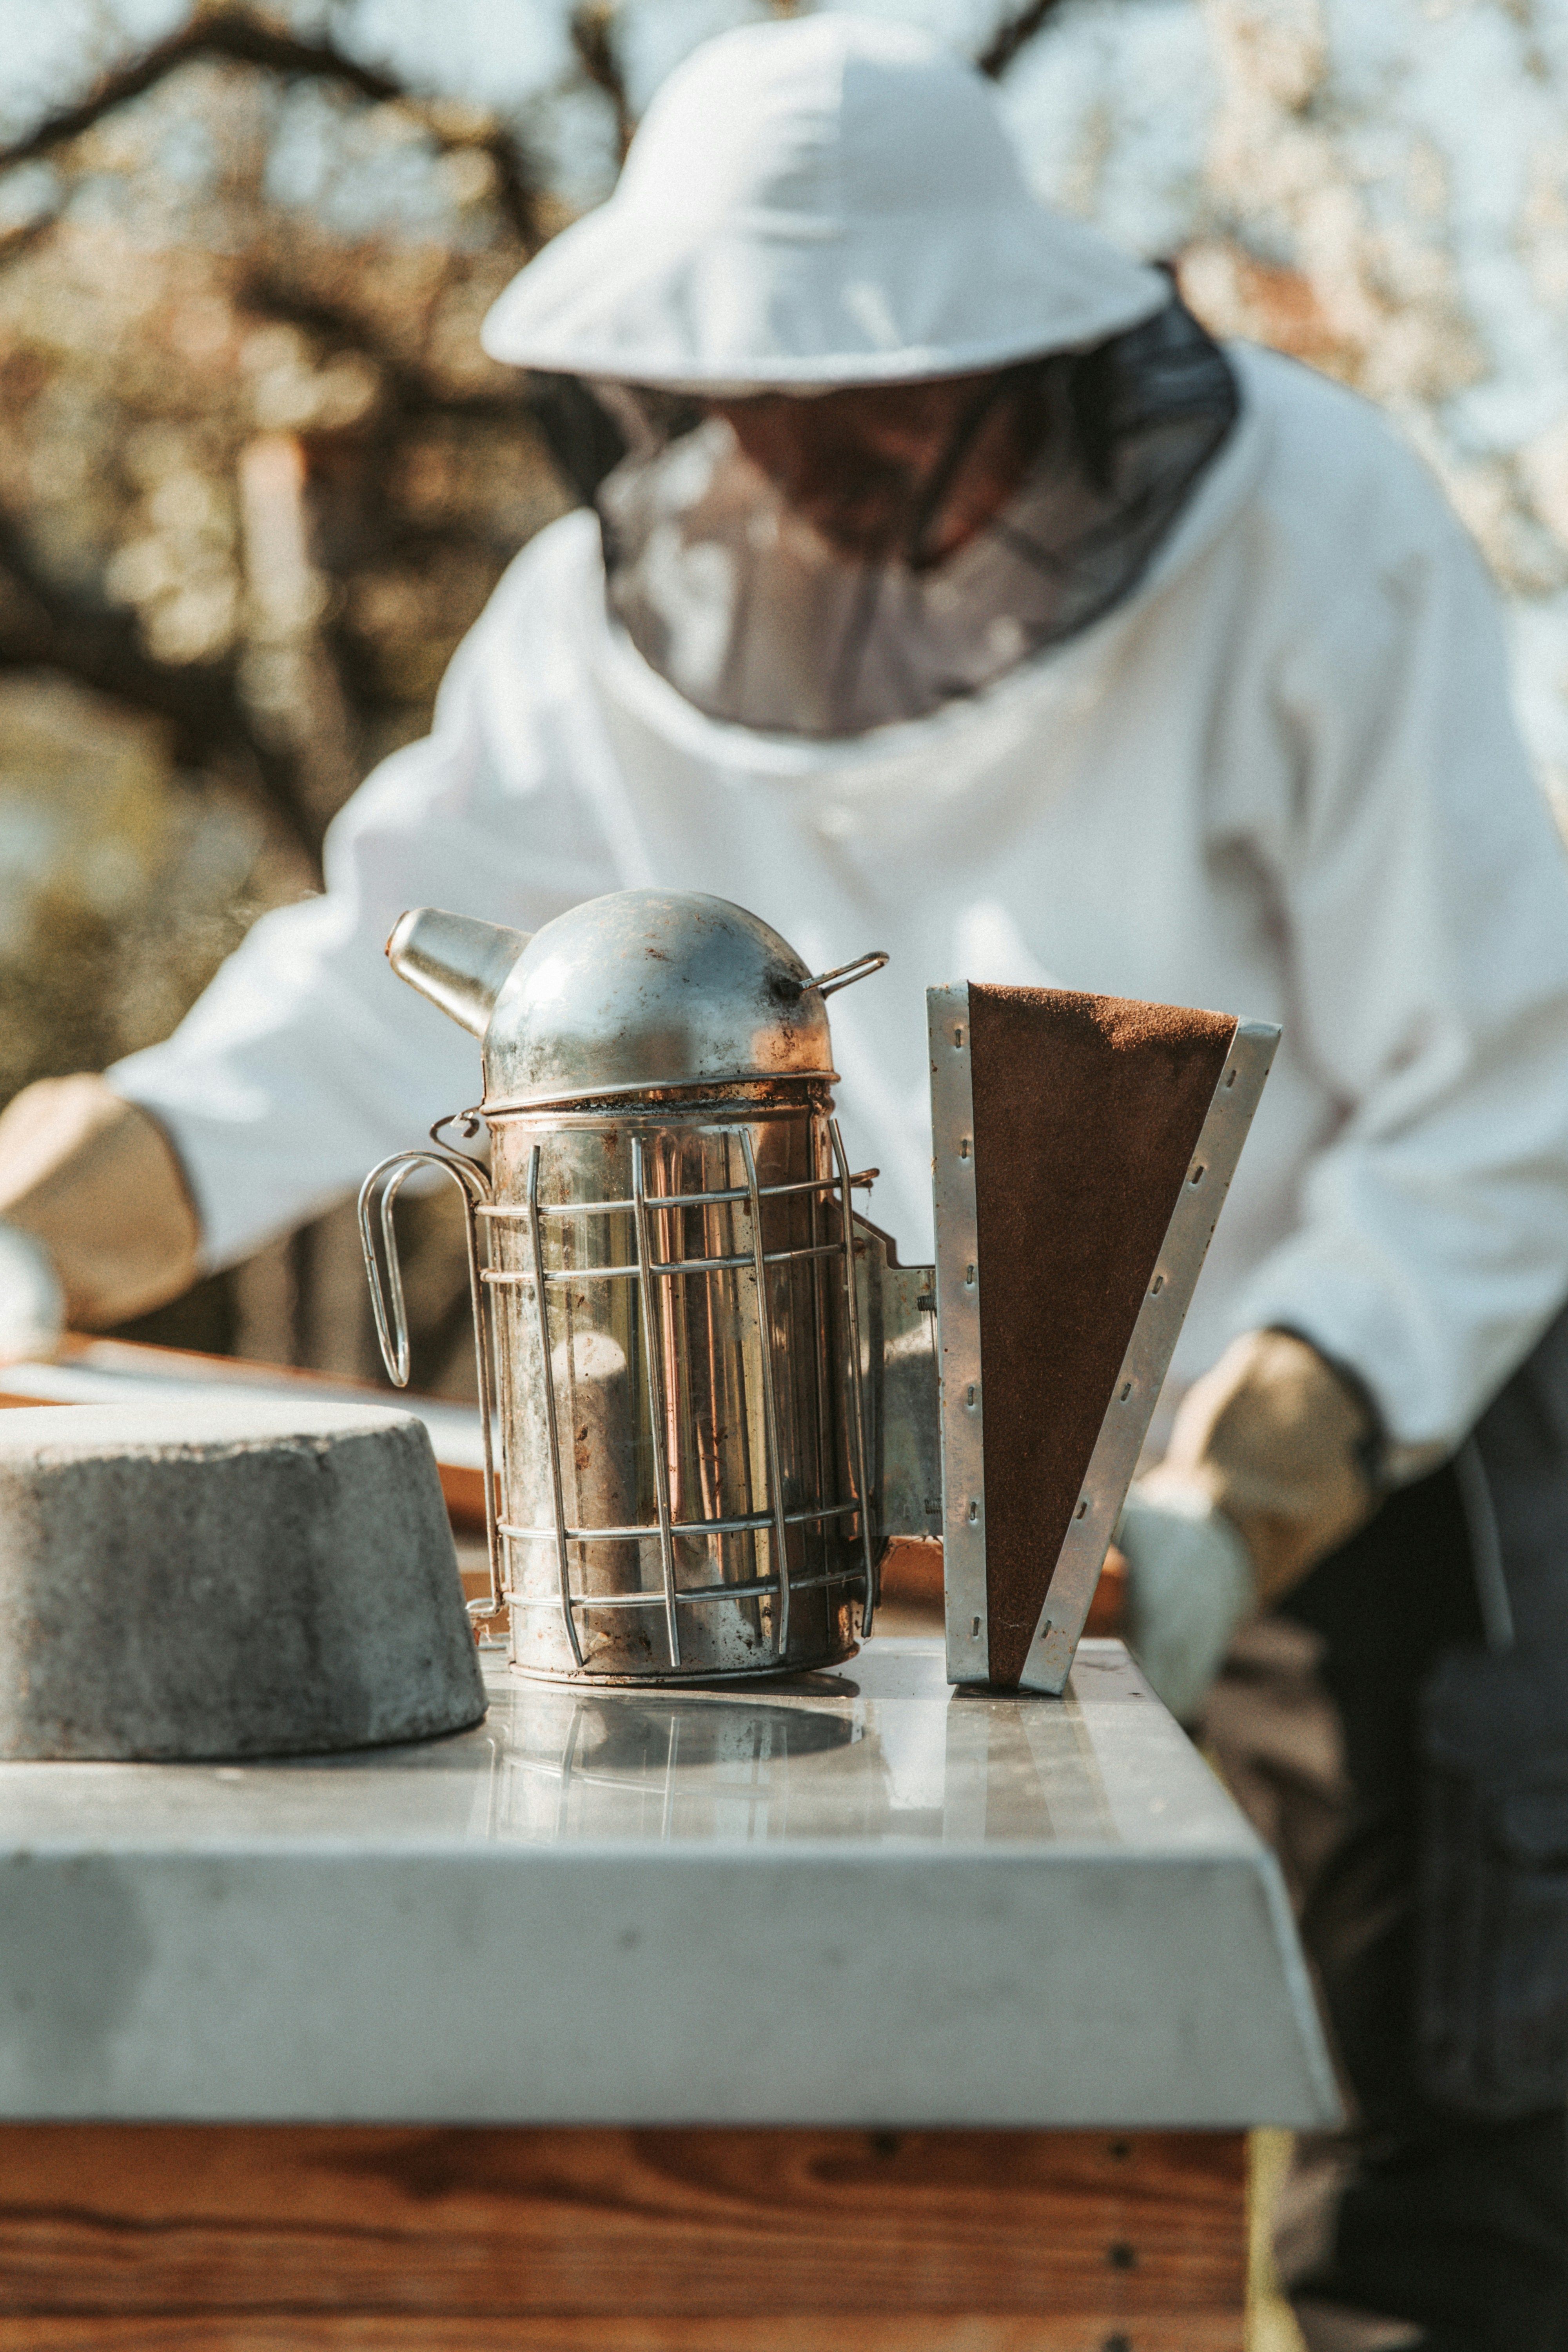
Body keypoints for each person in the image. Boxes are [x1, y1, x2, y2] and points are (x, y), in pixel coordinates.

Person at [2, 18, 1568, 2345]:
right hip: (861, 1472)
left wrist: (1241, 1496)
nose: (807, 462)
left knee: (1409, 2181)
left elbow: (1492, 1110)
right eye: (752, 402)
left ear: (1034, 364)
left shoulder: (1320, 535)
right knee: (921, 2132)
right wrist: (45, 1227)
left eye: (878, 404)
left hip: (1350, 1442)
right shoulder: (594, 617)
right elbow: (366, 990)